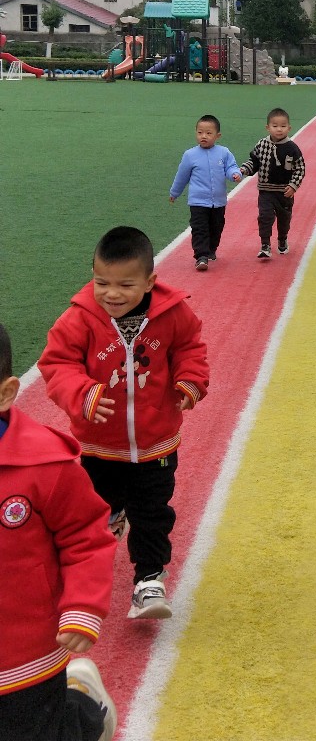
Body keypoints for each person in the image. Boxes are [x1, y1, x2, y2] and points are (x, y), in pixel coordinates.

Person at [39, 226, 210, 621]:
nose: (111, 294)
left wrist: (191, 381)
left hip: (157, 444)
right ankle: (113, 515)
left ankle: (149, 580)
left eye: (125, 285)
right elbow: (57, 364)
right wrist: (82, 393)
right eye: (102, 283)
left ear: (150, 281)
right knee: (95, 508)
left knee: (152, 513)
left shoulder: (173, 313)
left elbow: (190, 349)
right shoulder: (79, 318)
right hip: (98, 445)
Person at [0, 323, 118, 741]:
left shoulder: (45, 464)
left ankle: (84, 710)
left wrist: (83, 606)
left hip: (25, 653)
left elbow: (86, 537)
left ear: (5, 394)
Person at [169, 114, 242, 271]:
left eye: (209, 133)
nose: (204, 136)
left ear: (217, 136)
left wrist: (235, 174)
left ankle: (211, 249)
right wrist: (174, 192)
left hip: (218, 202)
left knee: (216, 227)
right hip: (197, 202)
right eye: (200, 132)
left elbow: (231, 167)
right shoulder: (190, 155)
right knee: (199, 228)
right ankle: (201, 256)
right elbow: (182, 176)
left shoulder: (224, 152)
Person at [240, 107, 306, 259]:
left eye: (283, 126)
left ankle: (282, 239)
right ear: (268, 127)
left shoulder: (292, 148)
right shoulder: (262, 145)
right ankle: (265, 244)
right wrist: (244, 169)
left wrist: (293, 185)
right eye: (275, 126)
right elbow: (254, 162)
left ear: (289, 128)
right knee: (265, 217)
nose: (279, 129)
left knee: (284, 219)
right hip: (266, 191)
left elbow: (300, 168)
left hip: (284, 192)